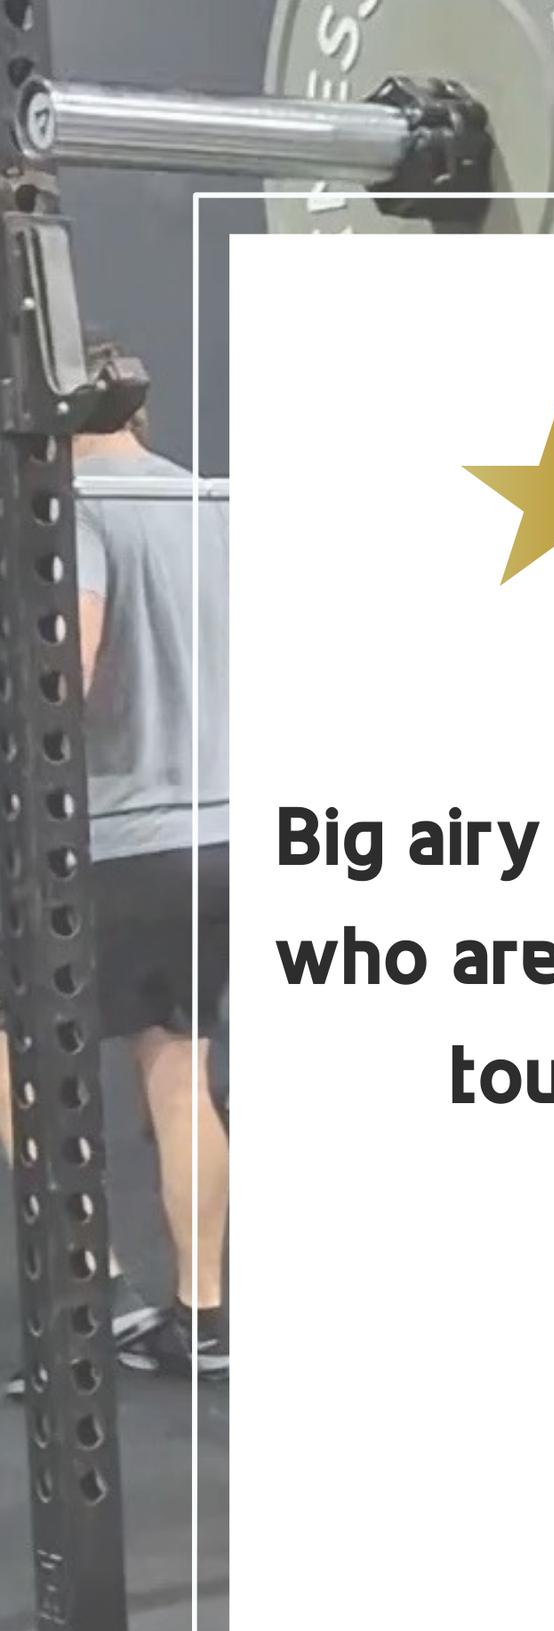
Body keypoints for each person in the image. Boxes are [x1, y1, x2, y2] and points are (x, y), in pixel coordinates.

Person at [64, 336, 230, 1381]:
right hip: (224, 827)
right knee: (181, 1074)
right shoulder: (208, 501)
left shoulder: (75, 508)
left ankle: (95, 1295)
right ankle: (202, 1316)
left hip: (125, 836)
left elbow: (66, 674)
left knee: (19, 1062)